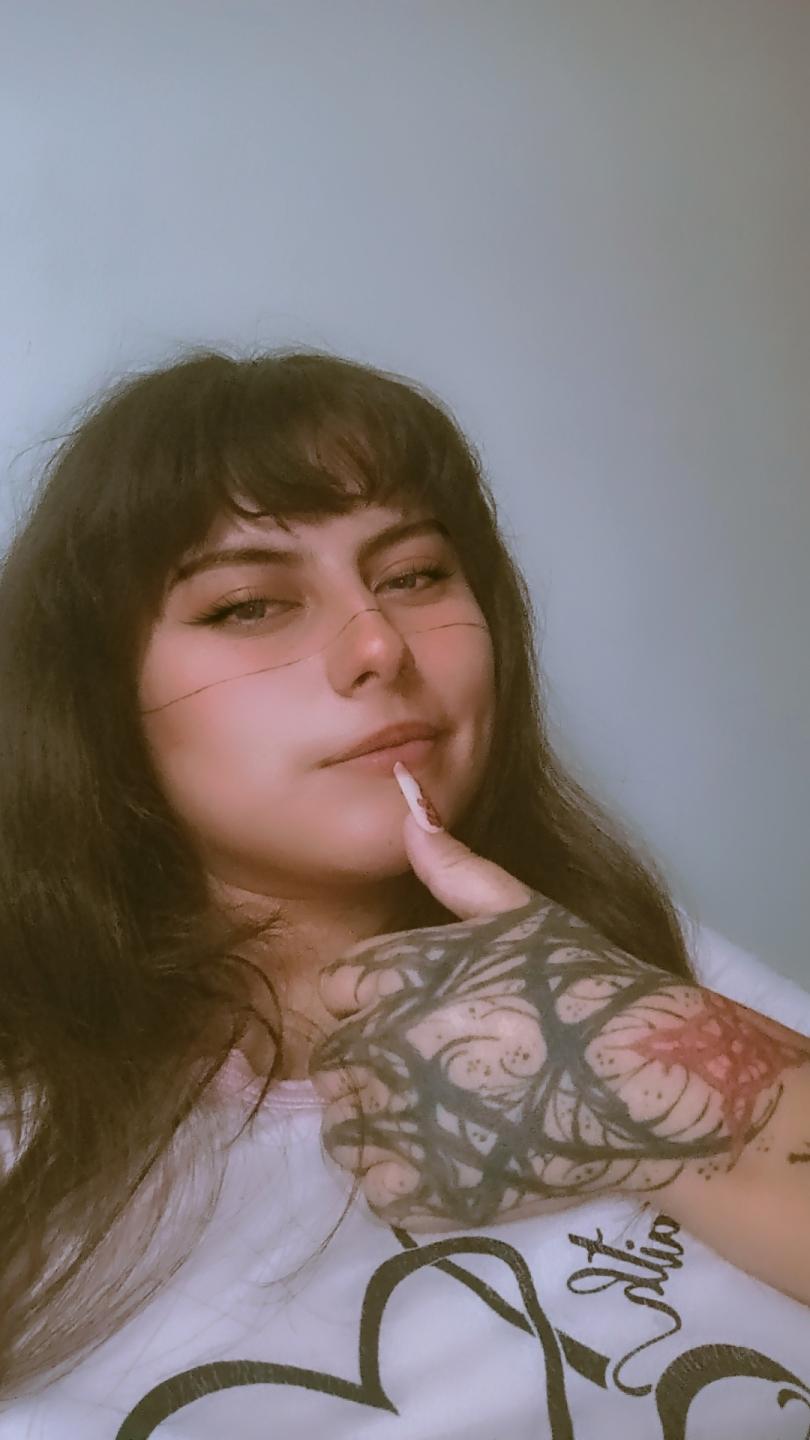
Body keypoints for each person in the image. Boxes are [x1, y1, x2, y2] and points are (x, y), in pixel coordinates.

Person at [0, 346, 808, 1438]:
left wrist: (646, 1073)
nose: (380, 644)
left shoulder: (637, 957)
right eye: (249, 604)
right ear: (93, 695)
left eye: (417, 575)